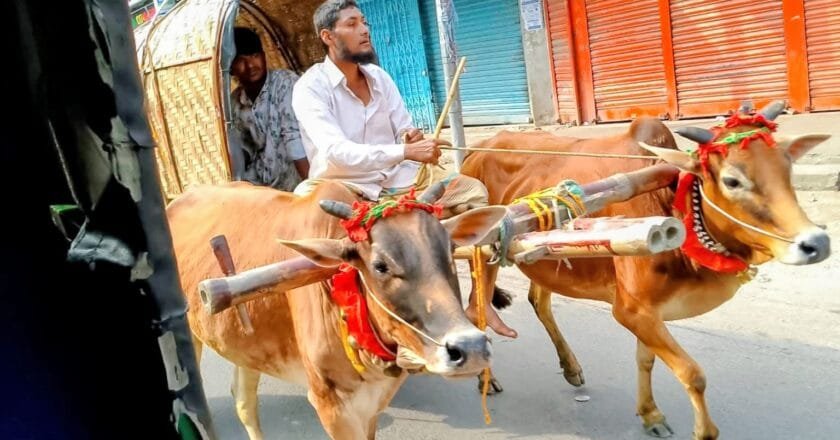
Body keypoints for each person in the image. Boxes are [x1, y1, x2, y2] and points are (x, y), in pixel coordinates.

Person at [291, 0, 517, 338]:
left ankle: (478, 300)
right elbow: (336, 153)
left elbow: (404, 128)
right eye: (352, 24)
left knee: (474, 192)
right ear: (327, 36)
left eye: (364, 22)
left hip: (398, 181)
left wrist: (412, 139)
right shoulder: (310, 87)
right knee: (310, 221)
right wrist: (406, 149)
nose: (365, 29)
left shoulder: (379, 78)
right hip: (345, 187)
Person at [230, 27, 310, 191]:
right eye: (241, 60)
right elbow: (243, 147)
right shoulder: (236, 101)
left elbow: (293, 138)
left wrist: (312, 188)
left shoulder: (285, 83)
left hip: (295, 180)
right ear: (231, 68)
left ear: (264, 57)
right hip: (261, 184)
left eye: (255, 56)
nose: (251, 65)